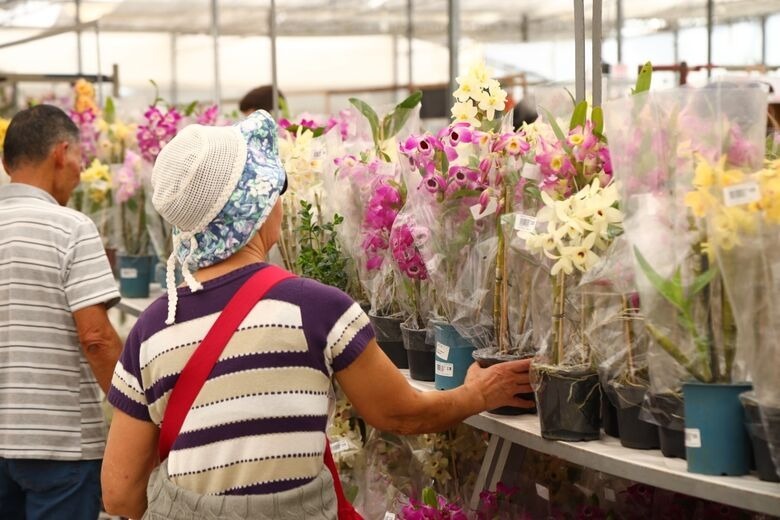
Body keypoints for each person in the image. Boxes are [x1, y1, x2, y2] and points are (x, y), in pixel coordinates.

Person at [101, 110, 534, 519]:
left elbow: (119, 492)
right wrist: (478, 393)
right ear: (259, 208)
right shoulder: (316, 309)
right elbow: (400, 414)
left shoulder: (153, 327)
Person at [0, 105, 122, 519]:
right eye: (81, 161)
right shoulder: (71, 228)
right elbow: (97, 338)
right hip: (62, 446)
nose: (81, 172)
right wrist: (135, 415)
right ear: (61, 152)